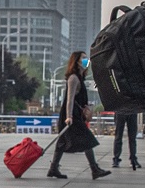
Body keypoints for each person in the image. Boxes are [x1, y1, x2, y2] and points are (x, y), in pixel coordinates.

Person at [48, 52, 111, 180]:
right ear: (76, 61)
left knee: (62, 142)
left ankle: (53, 168)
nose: (86, 60)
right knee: (87, 139)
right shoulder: (74, 78)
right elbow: (69, 100)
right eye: (83, 58)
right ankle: (94, 169)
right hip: (70, 116)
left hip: (74, 115)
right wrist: (69, 116)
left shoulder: (81, 78)